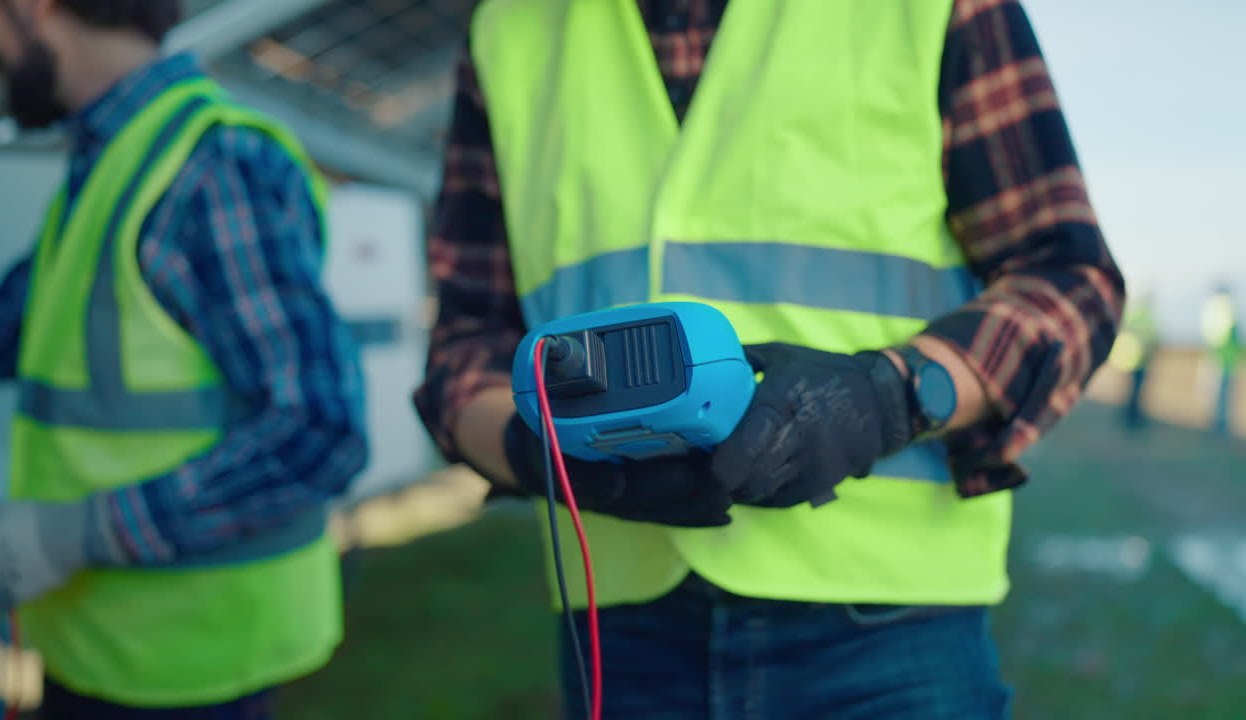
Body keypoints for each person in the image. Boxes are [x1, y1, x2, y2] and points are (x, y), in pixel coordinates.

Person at [414, 0, 1124, 717]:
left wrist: (892, 395)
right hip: (620, 627)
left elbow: (1068, 280)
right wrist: (524, 446)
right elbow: (464, 344)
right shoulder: (509, 27)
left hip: (889, 624)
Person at [0, 1, 367, 717]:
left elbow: (317, 432)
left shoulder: (212, 164)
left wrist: (78, 533)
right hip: (100, 645)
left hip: (190, 661)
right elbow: (2, 331)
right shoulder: (114, 156)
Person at [1110, 289, 1159, 430]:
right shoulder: (1141, 315)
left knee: (1136, 390)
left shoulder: (1139, 314)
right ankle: (1131, 417)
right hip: (1136, 359)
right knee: (1134, 391)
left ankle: (1132, 416)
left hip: (1138, 359)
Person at [1201, 283, 1240, 436]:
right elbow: (1231, 335)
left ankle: (1215, 424)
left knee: (1214, 393)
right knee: (1222, 395)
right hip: (1225, 359)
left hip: (1214, 356)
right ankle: (1220, 427)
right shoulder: (1227, 307)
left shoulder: (1211, 307)